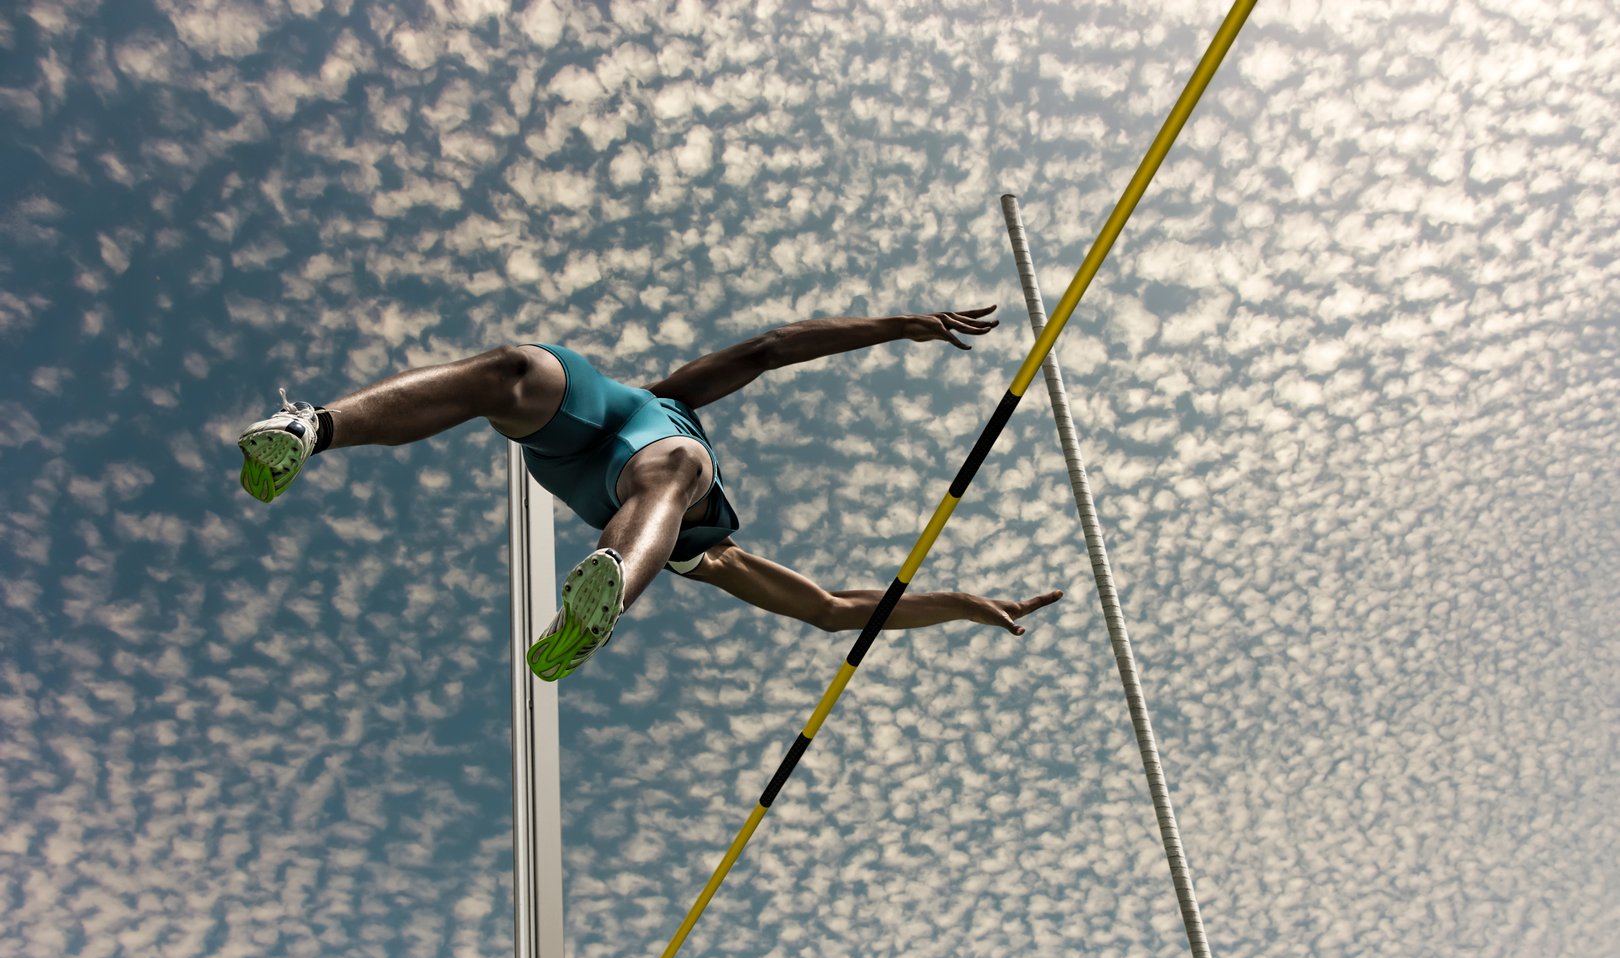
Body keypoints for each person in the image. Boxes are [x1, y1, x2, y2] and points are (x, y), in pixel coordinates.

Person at [237, 305, 1062, 680]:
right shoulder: (698, 481)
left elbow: (839, 609)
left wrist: (964, 602)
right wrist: (894, 324)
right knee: (515, 374)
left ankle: (603, 584)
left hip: (588, 464)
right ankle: (311, 429)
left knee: (513, 378)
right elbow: (772, 347)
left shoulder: (714, 563)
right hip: (635, 423)